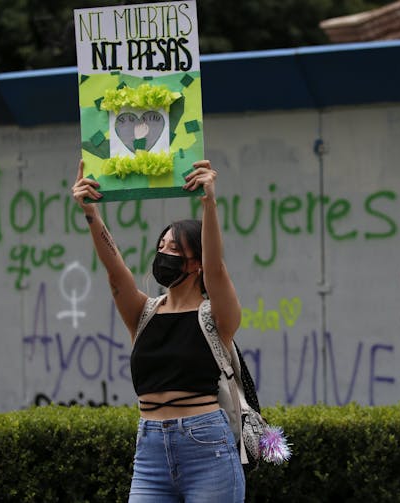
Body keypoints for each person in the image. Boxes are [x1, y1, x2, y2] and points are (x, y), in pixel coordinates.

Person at [71, 159, 245, 502]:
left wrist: (209, 201)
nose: (164, 253)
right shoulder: (144, 313)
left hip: (206, 446)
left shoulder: (216, 317)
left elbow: (217, 269)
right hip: (150, 448)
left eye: (175, 249)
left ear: (195, 264)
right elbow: (114, 271)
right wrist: (91, 213)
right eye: (161, 246)